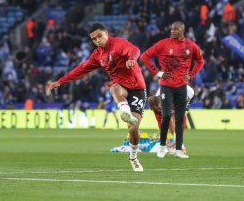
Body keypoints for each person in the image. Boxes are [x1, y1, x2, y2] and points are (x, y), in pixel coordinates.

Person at [46, 23, 146, 172]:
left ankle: (133, 156)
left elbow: (134, 50)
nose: (97, 40)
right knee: (113, 87)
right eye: (94, 39)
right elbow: (81, 69)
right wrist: (61, 81)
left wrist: (131, 58)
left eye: (100, 36)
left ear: (106, 33)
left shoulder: (119, 44)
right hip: (120, 87)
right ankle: (124, 111)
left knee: (133, 129)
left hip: (137, 88)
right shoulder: (98, 55)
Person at [140, 21, 204, 159]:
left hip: (182, 86)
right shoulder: (163, 44)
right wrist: (157, 73)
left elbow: (200, 61)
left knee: (180, 119)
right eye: (171, 28)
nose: (172, 31)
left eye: (175, 29)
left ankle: (179, 150)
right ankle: (162, 146)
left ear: (182, 30)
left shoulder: (191, 46)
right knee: (167, 115)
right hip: (166, 85)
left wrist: (191, 75)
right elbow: (144, 56)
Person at [148, 85, 194, 153]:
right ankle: (177, 145)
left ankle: (180, 146)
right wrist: (165, 138)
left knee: (174, 117)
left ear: (161, 101)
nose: (158, 110)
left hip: (186, 91)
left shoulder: (173, 101)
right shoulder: (155, 104)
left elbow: (182, 120)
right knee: (167, 118)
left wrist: (178, 138)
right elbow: (160, 122)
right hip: (169, 88)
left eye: (158, 108)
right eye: (156, 109)